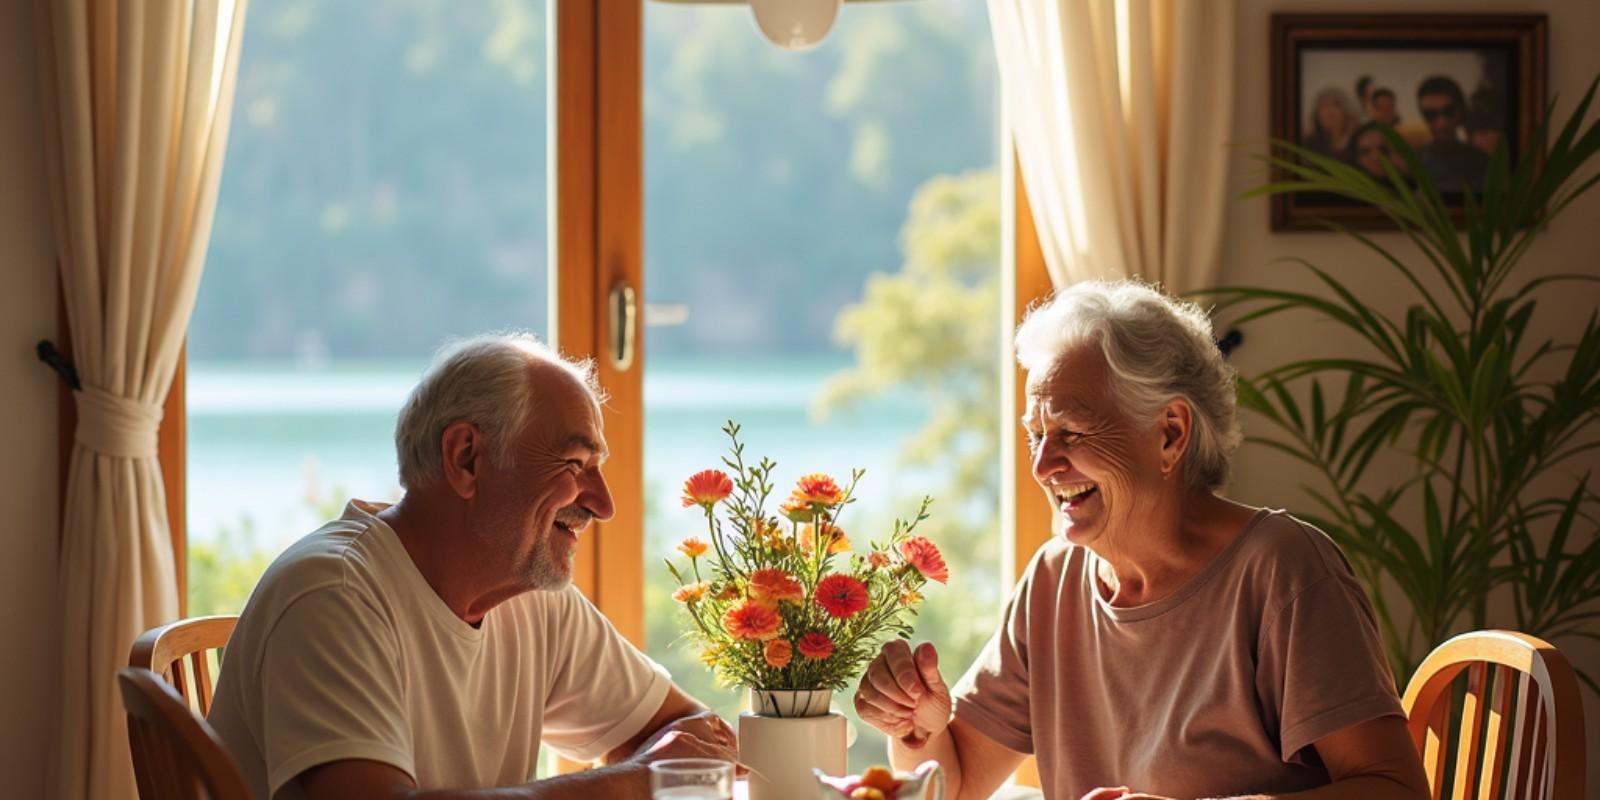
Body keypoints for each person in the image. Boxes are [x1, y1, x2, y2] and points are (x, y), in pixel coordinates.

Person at [851, 282, 1430, 800]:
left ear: (1170, 434)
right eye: (1036, 436)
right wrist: (916, 729)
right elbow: (959, 782)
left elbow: (1396, 790)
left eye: (1071, 432)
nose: (1044, 466)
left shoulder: (1283, 569)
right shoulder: (1054, 580)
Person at [208, 333, 740, 799]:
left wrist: (655, 773)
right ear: (466, 458)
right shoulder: (334, 595)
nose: (603, 504)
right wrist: (627, 785)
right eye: (576, 465)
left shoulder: (532, 598)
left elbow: (690, 730)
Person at [1416, 75, 1488, 191]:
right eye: (1431, 114)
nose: (1441, 123)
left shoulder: (1482, 162)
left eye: (1448, 112)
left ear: (1460, 110)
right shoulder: (1414, 162)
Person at [1300, 87, 1360, 159]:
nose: (1329, 110)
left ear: (1346, 112)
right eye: (1324, 106)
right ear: (1317, 115)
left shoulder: (1359, 141)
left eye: (1336, 104)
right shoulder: (1309, 144)